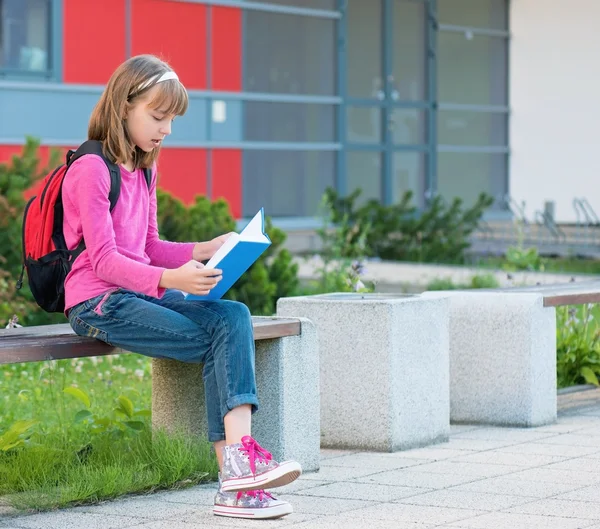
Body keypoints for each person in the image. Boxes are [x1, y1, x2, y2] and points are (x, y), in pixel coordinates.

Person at [62, 54, 301, 520]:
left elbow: (148, 246)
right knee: (219, 340)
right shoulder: (90, 168)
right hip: (98, 301)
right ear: (122, 105)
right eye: (157, 116)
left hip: (137, 292)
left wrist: (208, 247)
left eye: (171, 119)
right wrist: (171, 280)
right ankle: (237, 478)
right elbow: (107, 260)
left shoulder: (145, 168)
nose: (165, 129)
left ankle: (238, 472)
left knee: (233, 316)